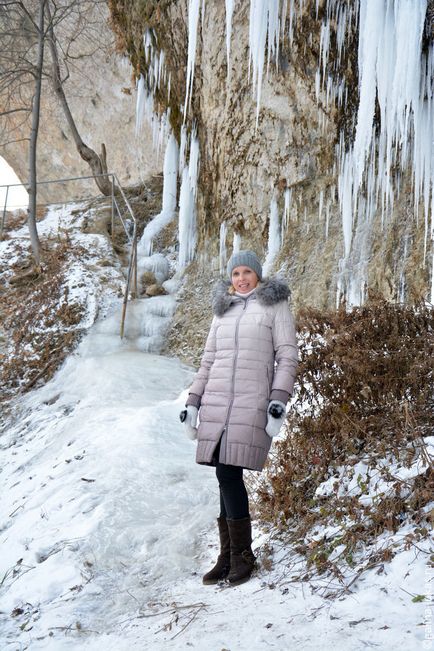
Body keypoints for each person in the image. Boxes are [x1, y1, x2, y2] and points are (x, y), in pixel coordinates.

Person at [180, 250, 298, 586]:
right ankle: (229, 555)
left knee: (228, 473)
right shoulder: (223, 311)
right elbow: (208, 361)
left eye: (247, 272)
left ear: (258, 275)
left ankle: (242, 556)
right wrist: (193, 402)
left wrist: (278, 400)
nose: (241, 278)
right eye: (236, 273)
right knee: (223, 471)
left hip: (251, 401)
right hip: (217, 401)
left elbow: (287, 356)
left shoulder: (275, 306)